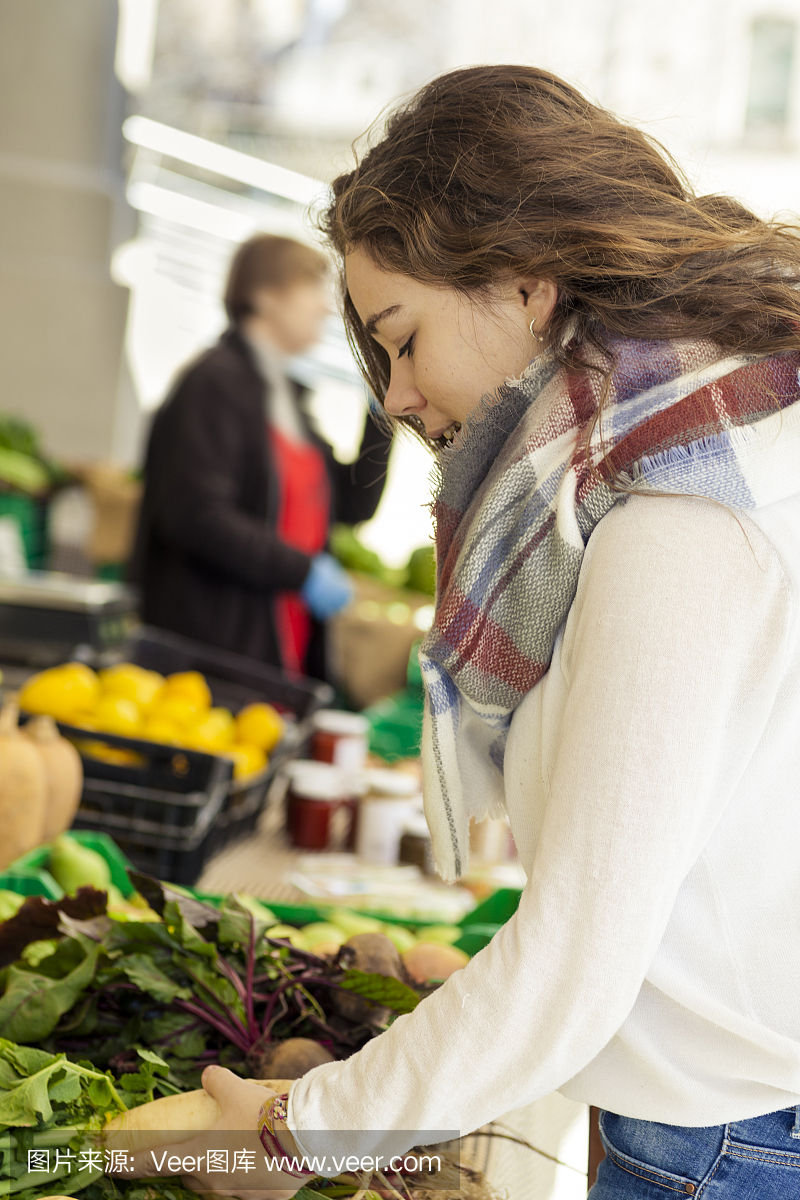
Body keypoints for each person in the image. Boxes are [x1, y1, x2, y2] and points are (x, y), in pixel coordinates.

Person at [116, 66, 800, 1199]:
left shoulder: (675, 520)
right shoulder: (698, 453)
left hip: (722, 1140)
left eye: (400, 338)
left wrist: (298, 1135)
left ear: (525, 290)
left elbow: (576, 958)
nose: (393, 395)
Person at [130, 233, 392, 679]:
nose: (325, 307)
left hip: (277, 657)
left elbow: (352, 505)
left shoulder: (287, 401)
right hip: (210, 660)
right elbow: (195, 514)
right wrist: (301, 570)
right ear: (266, 297)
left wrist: (382, 413)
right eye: (312, 289)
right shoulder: (212, 386)